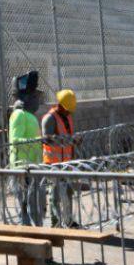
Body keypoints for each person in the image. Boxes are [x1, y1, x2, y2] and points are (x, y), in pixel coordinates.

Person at [7, 89, 45, 225]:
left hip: (34, 166)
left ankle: (36, 232)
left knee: (36, 205)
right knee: (25, 206)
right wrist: (38, 140)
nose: (37, 100)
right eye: (34, 96)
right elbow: (15, 140)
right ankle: (26, 233)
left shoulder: (30, 116)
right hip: (21, 166)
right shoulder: (18, 115)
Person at [42, 89, 78, 227]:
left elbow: (69, 138)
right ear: (61, 105)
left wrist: (73, 144)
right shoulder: (49, 119)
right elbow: (47, 140)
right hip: (53, 163)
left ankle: (68, 221)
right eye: (68, 109)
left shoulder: (67, 117)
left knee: (68, 192)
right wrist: (69, 140)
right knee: (55, 195)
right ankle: (55, 222)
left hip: (67, 163)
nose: (70, 112)